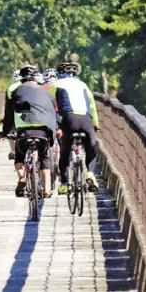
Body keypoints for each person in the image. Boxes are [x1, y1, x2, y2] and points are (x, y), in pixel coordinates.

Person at [0, 64, 57, 198]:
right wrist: (52, 135)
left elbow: (9, 116)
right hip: (43, 130)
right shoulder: (45, 91)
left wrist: (4, 132)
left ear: (21, 79)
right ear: (36, 78)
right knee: (44, 157)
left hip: (24, 132)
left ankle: (22, 178)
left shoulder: (15, 92)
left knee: (18, 156)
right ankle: (47, 188)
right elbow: (53, 113)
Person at [51, 60, 99, 194]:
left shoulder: (56, 84)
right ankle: (90, 174)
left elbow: (50, 103)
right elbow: (92, 105)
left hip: (69, 119)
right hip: (86, 119)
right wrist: (95, 124)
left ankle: (65, 184)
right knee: (90, 149)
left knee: (65, 152)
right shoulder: (83, 84)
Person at [4, 69, 22, 160]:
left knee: (10, 131)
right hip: (28, 115)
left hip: (15, 113)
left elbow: (8, 107)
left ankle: (12, 150)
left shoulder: (10, 88)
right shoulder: (28, 85)